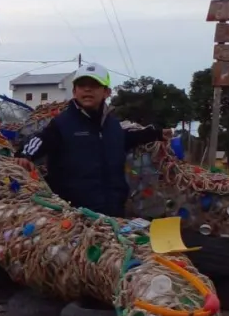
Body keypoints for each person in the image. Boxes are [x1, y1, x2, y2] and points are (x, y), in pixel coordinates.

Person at [17, 64, 172, 218]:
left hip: (114, 215)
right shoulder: (62, 124)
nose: (87, 90)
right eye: (82, 85)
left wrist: (157, 134)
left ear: (106, 92)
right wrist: (24, 156)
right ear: (74, 91)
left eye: (94, 85)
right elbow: (39, 140)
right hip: (74, 218)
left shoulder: (113, 125)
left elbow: (127, 138)